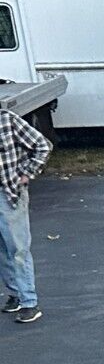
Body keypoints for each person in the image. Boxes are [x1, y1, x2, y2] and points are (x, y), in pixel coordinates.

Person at [0, 108, 52, 325]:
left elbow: (43, 145)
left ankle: (30, 302)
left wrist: (27, 174)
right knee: (2, 248)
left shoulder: (6, 120)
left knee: (18, 248)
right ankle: (16, 295)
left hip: (8, 193)